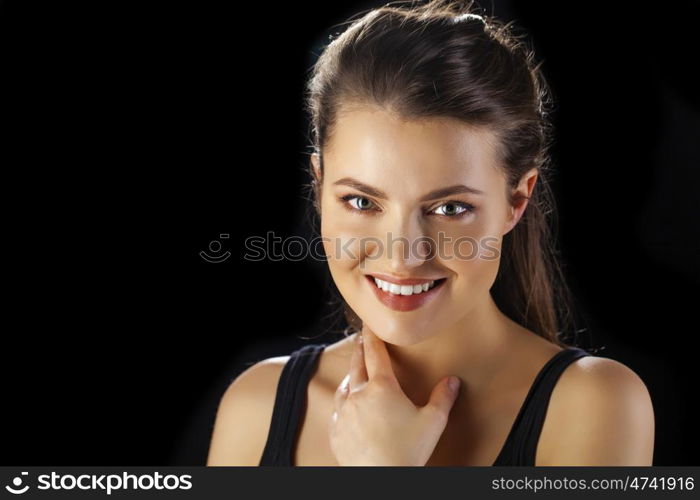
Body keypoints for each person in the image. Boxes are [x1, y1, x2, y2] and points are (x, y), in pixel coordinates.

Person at [207, 0, 654, 466]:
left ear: (516, 201)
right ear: (319, 189)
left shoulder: (596, 404)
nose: (402, 256)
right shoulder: (257, 405)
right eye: (362, 202)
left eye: (449, 207)